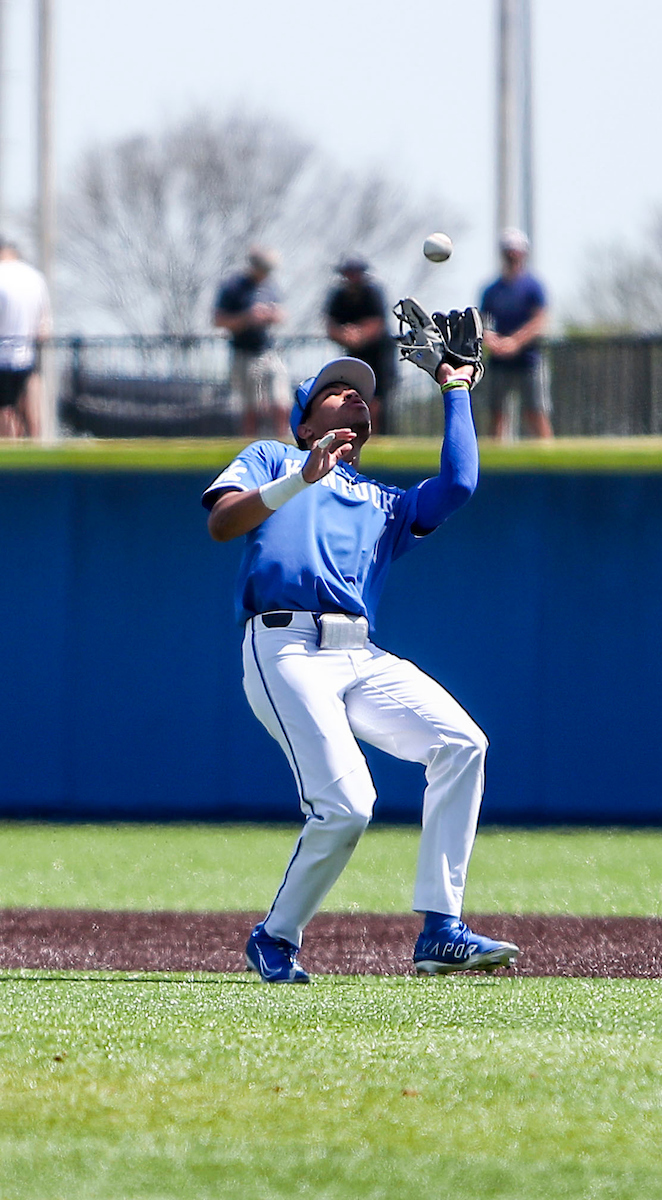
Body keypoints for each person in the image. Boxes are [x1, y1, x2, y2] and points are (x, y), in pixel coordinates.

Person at [202, 329, 519, 983]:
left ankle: (441, 930)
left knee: (463, 744)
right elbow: (222, 521)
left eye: (361, 395)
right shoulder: (271, 458)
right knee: (348, 804)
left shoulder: (383, 502)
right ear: (304, 423)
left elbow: (458, 484)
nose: (353, 398)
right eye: (335, 392)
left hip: (361, 654)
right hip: (285, 646)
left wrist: (455, 388)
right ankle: (275, 938)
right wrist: (298, 478)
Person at [479, 227, 553, 440]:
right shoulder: (491, 291)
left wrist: (515, 342)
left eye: (515, 252)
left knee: (535, 411)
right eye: (508, 252)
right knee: (497, 413)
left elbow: (539, 321)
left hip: (529, 359)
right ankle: (495, 456)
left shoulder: (533, 287)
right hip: (499, 361)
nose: (512, 256)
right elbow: (482, 323)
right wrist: (492, 341)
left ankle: (548, 455)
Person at [214, 246, 290, 439]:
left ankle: (283, 441)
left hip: (269, 351)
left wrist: (272, 315)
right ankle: (249, 444)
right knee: (251, 406)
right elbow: (219, 320)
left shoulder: (271, 286)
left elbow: (283, 314)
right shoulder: (233, 286)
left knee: (281, 400)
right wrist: (247, 317)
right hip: (244, 354)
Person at [324, 256, 397, 435]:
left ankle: (376, 434)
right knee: (355, 393)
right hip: (354, 353)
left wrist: (359, 335)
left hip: (379, 354)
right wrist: (345, 336)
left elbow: (377, 324)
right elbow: (331, 327)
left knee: (377, 397)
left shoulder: (373, 293)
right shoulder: (338, 296)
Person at [0, 238, 51, 439]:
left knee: (5, 415)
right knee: (30, 413)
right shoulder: (36, 278)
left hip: (2, 357)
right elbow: (44, 329)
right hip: (27, 357)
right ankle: (36, 446)